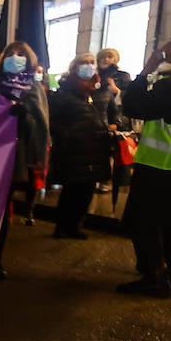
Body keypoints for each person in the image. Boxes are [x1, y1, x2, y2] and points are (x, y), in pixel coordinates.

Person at [119, 22, 171, 296]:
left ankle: (154, 277)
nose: (168, 46)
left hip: (159, 166)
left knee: (143, 221)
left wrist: (148, 67)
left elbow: (133, 105)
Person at [0, 41, 51, 280]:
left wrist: (24, 118)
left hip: (15, 154)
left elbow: (41, 125)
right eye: (12, 54)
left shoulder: (33, 89)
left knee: (2, 210)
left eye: (22, 55)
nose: (17, 58)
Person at [47, 53, 114, 240]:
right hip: (73, 151)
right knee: (71, 191)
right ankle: (62, 226)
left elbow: (111, 115)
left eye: (92, 63)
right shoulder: (63, 93)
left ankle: (75, 226)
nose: (89, 66)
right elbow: (52, 120)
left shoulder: (99, 91)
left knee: (86, 192)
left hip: (95, 150)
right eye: (84, 63)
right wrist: (67, 134)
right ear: (74, 67)